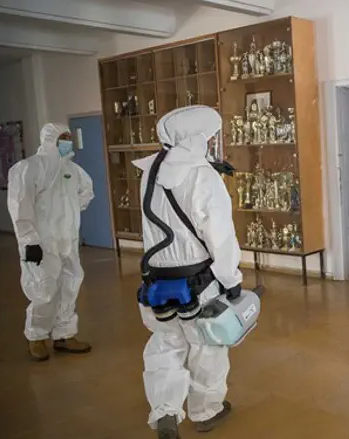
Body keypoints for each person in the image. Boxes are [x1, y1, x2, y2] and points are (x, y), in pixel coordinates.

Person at [133, 105, 242, 438]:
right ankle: (206, 410)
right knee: (206, 346)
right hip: (199, 281)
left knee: (166, 344)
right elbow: (220, 235)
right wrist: (231, 278)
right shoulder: (202, 175)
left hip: (156, 280)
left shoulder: (149, 172)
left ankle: (165, 411)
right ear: (198, 138)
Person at [7, 123, 94, 361]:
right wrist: (29, 240)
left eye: (68, 137)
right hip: (41, 242)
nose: (67, 141)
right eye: (62, 137)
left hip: (67, 239)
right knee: (44, 289)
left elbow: (86, 192)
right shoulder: (29, 168)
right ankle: (35, 337)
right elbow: (20, 206)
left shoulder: (73, 170)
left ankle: (64, 334)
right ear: (49, 139)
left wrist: (71, 212)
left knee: (70, 284)